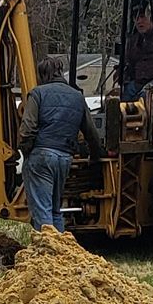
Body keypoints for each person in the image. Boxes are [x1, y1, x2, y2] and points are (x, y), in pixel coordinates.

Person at [17, 75, 106, 232]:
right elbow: (91, 132)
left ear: (43, 74)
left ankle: (48, 252)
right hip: (65, 157)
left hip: (42, 154)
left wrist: (27, 150)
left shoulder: (38, 93)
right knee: (55, 210)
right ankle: (62, 252)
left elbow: (27, 130)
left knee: (42, 210)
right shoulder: (77, 97)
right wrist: (96, 155)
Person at [123, 0, 153, 93]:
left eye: (142, 17)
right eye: (136, 18)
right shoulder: (133, 40)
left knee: (148, 95)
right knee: (122, 95)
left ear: (151, 17)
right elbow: (128, 63)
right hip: (138, 82)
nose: (139, 21)